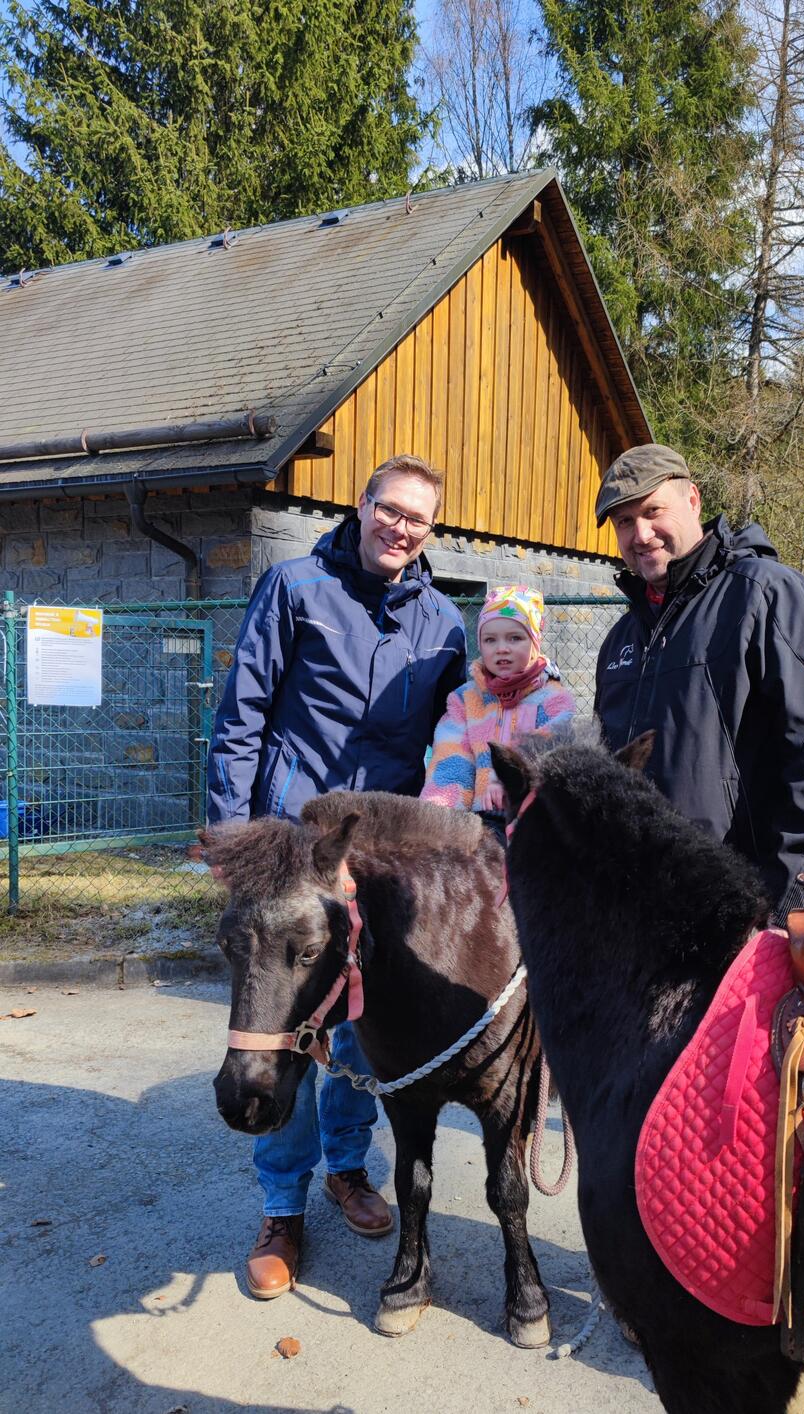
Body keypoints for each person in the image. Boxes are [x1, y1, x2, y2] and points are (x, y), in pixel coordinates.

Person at [206, 453, 467, 1299]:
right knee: (281, 1028)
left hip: (373, 864)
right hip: (286, 848)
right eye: (388, 509)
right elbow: (242, 712)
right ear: (361, 506)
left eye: (417, 519)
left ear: (432, 530)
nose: (399, 528)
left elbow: (458, 739)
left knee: (358, 1028)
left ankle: (348, 1170)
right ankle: (281, 1205)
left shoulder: (444, 625)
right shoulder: (294, 588)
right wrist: (229, 834)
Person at [593, 443, 804, 921]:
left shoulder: (764, 594)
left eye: (653, 511)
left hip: (739, 906)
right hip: (641, 908)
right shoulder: (620, 641)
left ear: (692, 500)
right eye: (624, 522)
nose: (641, 534)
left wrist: (784, 902)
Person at [421, 585, 576, 837]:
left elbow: (555, 753)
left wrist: (511, 778)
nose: (501, 648)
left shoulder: (552, 698)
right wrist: (439, 824)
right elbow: (451, 762)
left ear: (535, 641)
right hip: (478, 824)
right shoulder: (466, 699)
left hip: (533, 825)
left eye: (515, 638)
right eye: (490, 639)